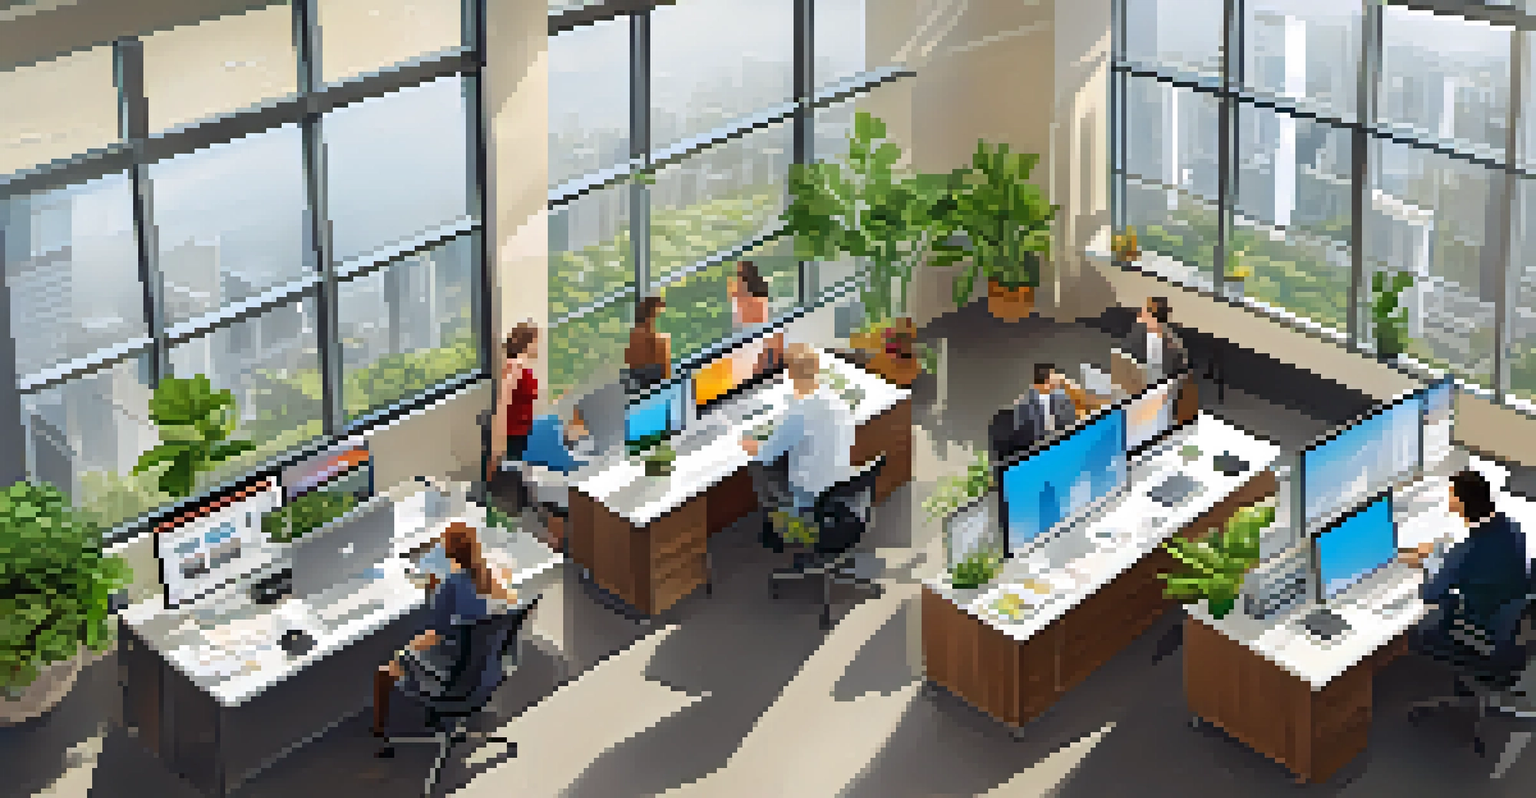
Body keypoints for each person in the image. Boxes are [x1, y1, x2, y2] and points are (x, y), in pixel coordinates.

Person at [374, 522, 517, 741]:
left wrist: (407, 651)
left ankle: (379, 734)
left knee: (386, 671)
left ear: (449, 554)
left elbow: (438, 630)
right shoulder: (492, 577)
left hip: (455, 674)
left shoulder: (451, 584)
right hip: (489, 671)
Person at [1400, 469, 1529, 672]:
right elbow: (1479, 560)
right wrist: (1440, 554)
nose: (1449, 502)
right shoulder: (1513, 528)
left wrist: (1432, 564)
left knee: (1418, 633)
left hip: (1481, 627)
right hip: (1507, 618)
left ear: (1462, 504)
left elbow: (1430, 594)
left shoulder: (1464, 553)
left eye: (1452, 495)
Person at [741, 344, 853, 515]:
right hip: (839, 487)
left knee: (757, 464)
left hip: (809, 497)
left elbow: (766, 454)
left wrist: (749, 443)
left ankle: (778, 516)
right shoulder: (837, 400)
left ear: (791, 374)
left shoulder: (799, 414)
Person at [989, 363, 1077, 462]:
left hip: (1062, 445)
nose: (1058, 381)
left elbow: (1071, 420)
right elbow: (1025, 435)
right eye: (1055, 378)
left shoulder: (1061, 397)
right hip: (1037, 452)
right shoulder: (1025, 403)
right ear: (1046, 381)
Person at [488, 323, 540, 483]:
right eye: (536, 341)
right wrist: (496, 446)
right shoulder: (515, 366)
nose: (538, 346)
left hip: (522, 432)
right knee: (513, 480)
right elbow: (502, 403)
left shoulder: (520, 366)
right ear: (528, 343)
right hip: (512, 436)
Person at [731, 261, 784, 374]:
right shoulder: (739, 300)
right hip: (748, 347)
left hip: (755, 346)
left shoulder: (756, 301)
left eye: (737, 275)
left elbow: (765, 330)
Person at [1121, 296, 1189, 380]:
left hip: (1161, 383)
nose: (1139, 316)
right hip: (1134, 379)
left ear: (1153, 318)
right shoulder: (1137, 331)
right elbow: (1124, 354)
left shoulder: (1173, 343)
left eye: (1143, 313)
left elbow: (1180, 373)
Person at [624, 295, 672, 388]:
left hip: (636, 376)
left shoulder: (634, 334)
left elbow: (628, 359)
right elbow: (663, 368)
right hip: (650, 377)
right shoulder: (652, 337)